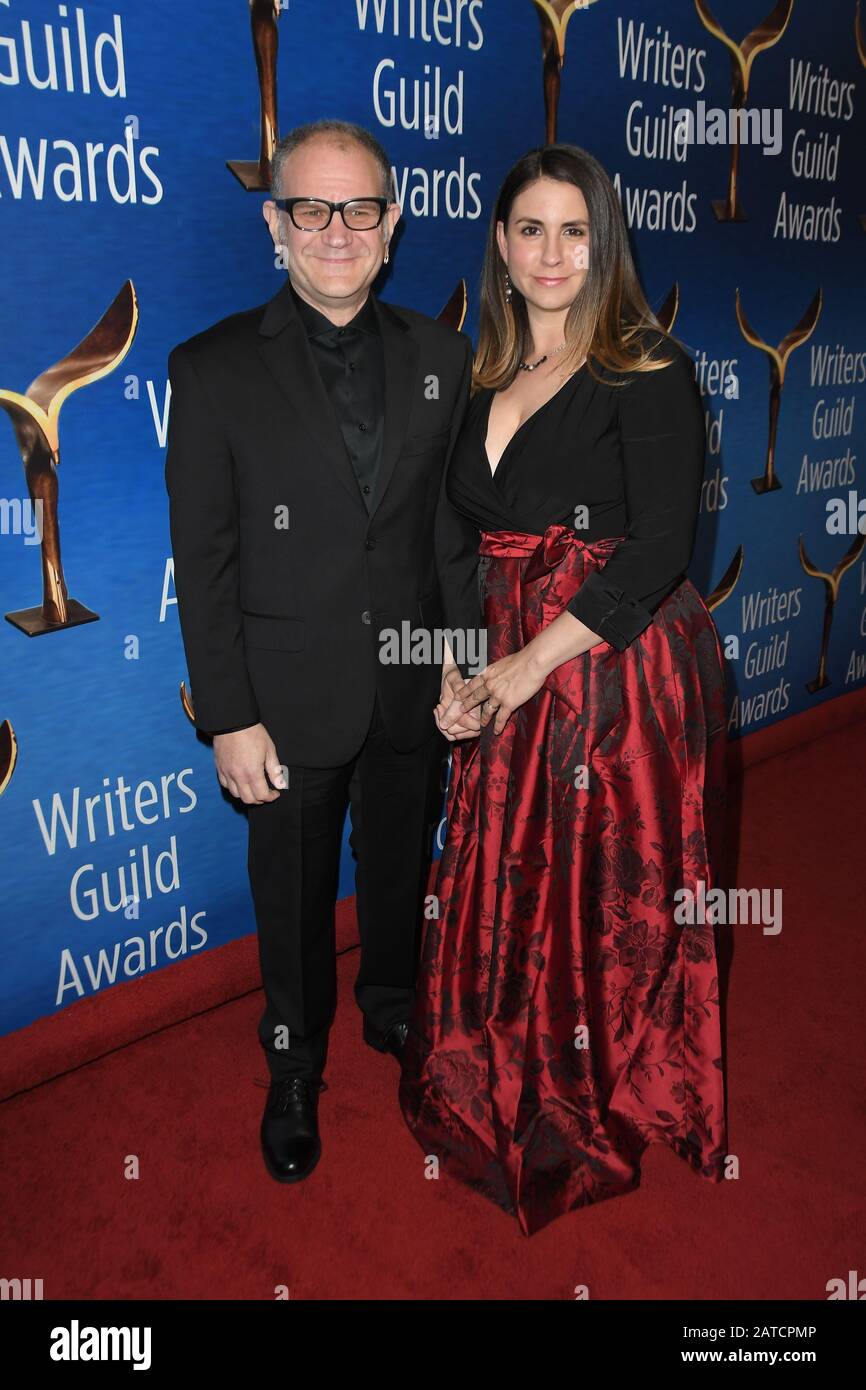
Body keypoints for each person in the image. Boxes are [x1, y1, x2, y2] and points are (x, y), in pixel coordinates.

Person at [398, 143, 729, 1237]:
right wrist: (456, 666)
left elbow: (659, 548)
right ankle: (490, 1052)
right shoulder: (473, 367)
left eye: (572, 230)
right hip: (498, 656)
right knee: (502, 865)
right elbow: (451, 531)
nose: (550, 254)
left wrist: (524, 669)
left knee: (588, 884)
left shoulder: (648, 368)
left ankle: (592, 1082)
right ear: (497, 244)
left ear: (604, 243)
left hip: (605, 673)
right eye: (528, 229)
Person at [165, 119, 481, 1185]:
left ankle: (393, 1016)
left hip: (406, 685)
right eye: (311, 207)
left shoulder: (444, 358)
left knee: (400, 869)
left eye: (359, 208)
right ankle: (293, 1067)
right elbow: (200, 561)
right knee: (291, 899)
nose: (336, 230)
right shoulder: (208, 370)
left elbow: (447, 531)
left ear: (391, 225)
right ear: (275, 224)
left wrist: (452, 657)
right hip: (283, 699)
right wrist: (228, 714)